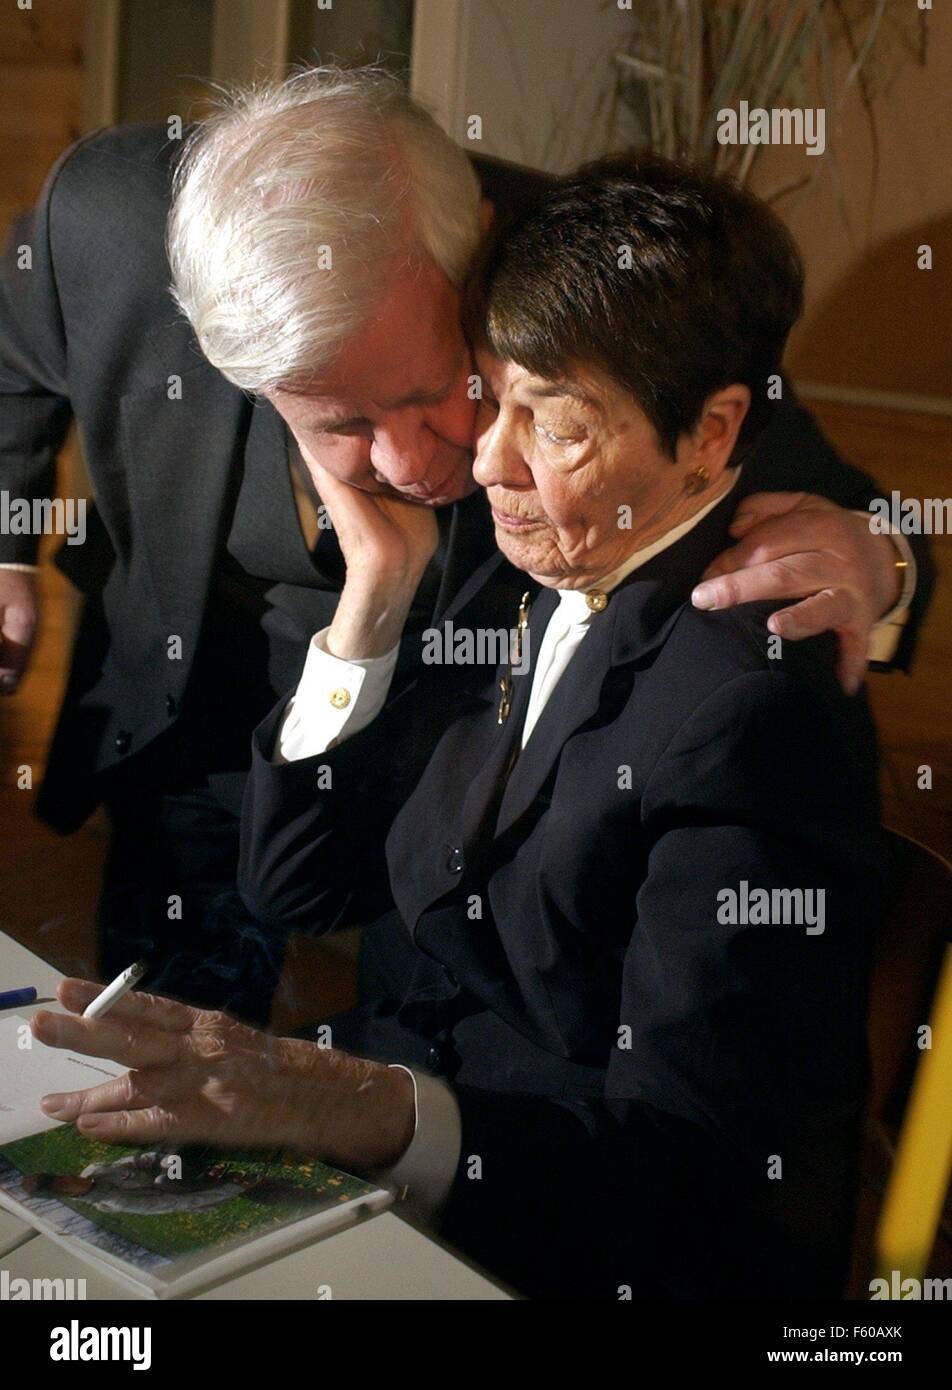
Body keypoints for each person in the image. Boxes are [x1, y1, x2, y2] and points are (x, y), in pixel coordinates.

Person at [34, 155, 886, 1300]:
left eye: (556, 423)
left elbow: (703, 1186)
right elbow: (296, 886)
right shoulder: (517, 568)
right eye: (492, 394)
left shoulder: (751, 710)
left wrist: (354, 1108)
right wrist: (373, 591)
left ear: (711, 432)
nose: (487, 462)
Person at [1, 68, 927, 1025]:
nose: (412, 464)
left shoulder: (568, 270)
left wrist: (881, 562)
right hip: (186, 710)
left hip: (434, 756)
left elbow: (822, 490)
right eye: (341, 421)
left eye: (428, 390)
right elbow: (6, 360)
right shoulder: (102, 225)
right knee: (156, 1060)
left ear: (475, 249)